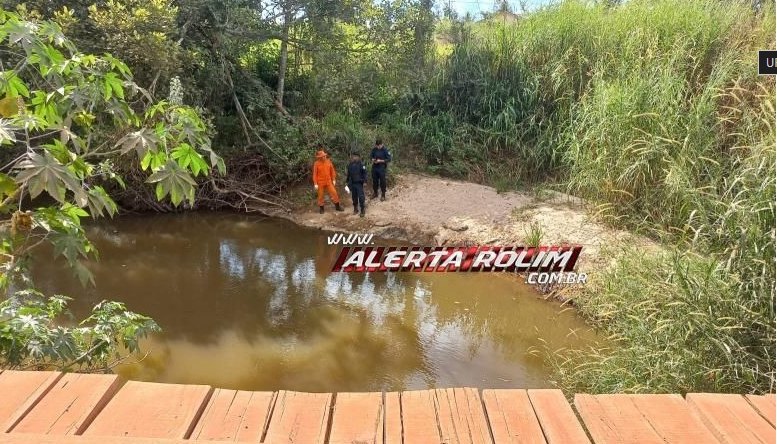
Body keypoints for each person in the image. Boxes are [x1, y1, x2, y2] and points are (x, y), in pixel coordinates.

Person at [312, 146, 344, 213]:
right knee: (320, 195)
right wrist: (315, 183)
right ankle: (321, 208)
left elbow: (332, 171)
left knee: (334, 193)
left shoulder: (328, 161)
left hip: (328, 181)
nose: (323, 157)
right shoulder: (316, 164)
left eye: (324, 156)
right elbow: (314, 174)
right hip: (320, 182)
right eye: (322, 157)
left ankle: (337, 206)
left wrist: (334, 179)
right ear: (319, 157)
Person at [346, 152, 367, 217]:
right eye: (354, 156)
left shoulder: (362, 165)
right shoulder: (350, 165)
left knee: (361, 197)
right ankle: (355, 208)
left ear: (359, 157)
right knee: (354, 197)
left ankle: (362, 209)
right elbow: (348, 174)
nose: (355, 158)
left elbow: (365, 173)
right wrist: (347, 182)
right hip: (352, 183)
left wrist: (365, 181)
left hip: (359, 183)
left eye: (356, 156)